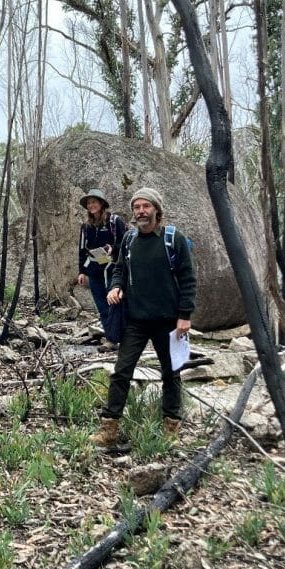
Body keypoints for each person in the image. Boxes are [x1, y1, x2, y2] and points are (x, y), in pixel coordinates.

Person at [92, 187, 196, 448]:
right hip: (136, 321)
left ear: (156, 210)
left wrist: (185, 316)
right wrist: (116, 286)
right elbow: (119, 269)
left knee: (171, 374)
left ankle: (171, 427)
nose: (140, 211)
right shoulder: (129, 240)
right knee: (121, 372)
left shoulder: (173, 239)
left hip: (168, 321)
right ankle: (109, 430)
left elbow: (188, 279)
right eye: (136, 207)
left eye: (146, 206)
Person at [76, 188, 126, 344]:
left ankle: (121, 337)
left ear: (102, 203)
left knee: (115, 303)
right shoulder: (86, 227)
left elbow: (125, 243)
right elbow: (82, 249)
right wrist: (82, 272)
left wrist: (113, 248)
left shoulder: (114, 221)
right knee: (101, 305)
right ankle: (111, 339)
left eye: (94, 202)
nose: (91, 205)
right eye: (89, 203)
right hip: (94, 271)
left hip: (113, 269)